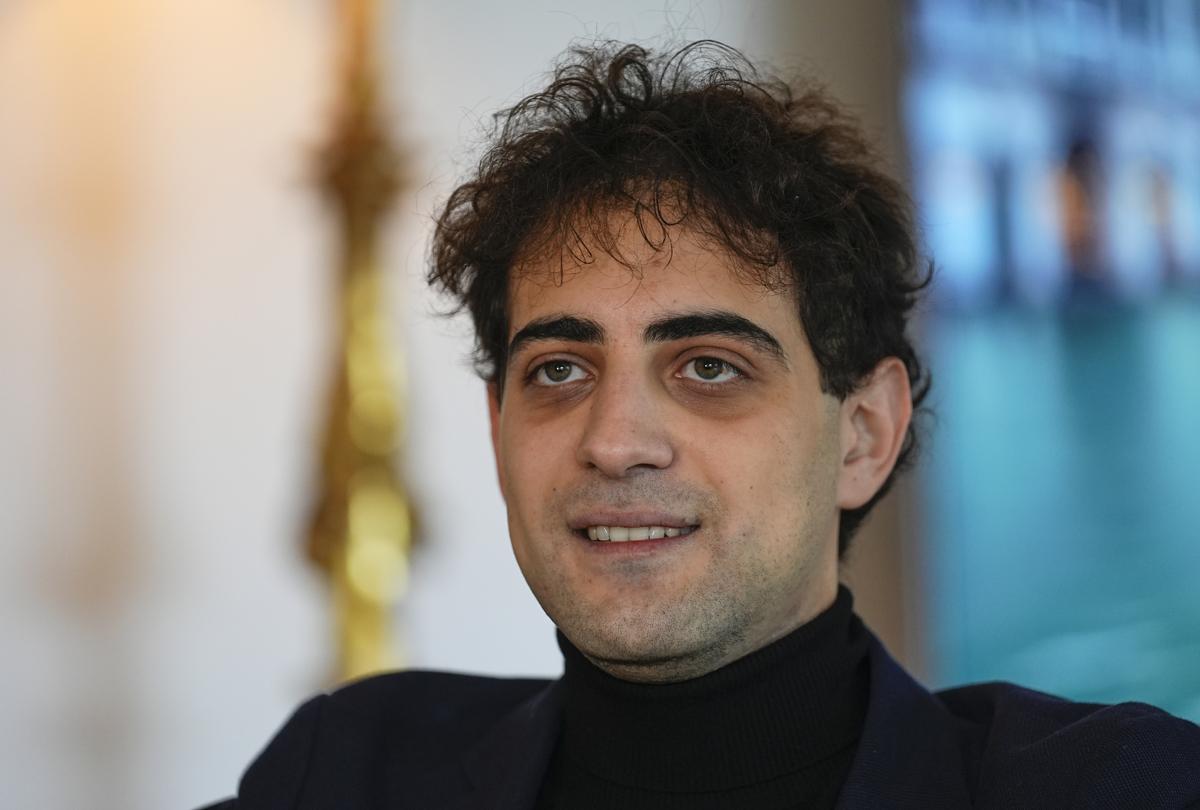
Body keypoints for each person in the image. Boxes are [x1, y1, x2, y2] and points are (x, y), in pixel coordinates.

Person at [203, 41, 1200, 809]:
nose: (615, 439)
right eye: (559, 370)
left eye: (709, 367)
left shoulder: (1117, 785)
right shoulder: (349, 770)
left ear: (863, 435)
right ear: (499, 428)